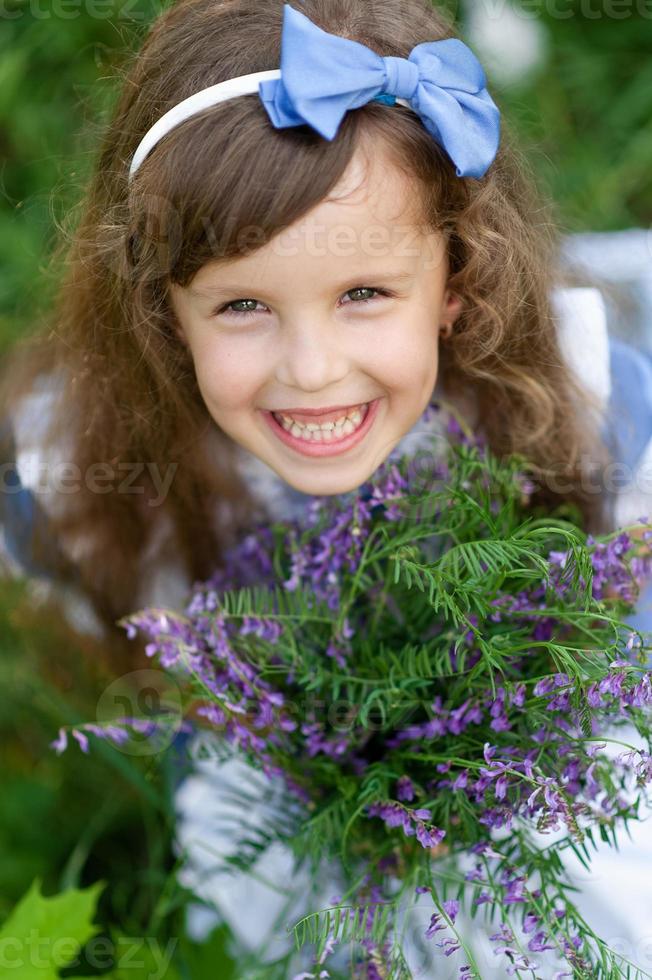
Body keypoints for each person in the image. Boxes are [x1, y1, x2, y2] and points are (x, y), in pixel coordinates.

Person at [2, 0, 652, 973]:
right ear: (163, 313)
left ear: (458, 280)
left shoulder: (580, 419)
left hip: (539, 735)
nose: (310, 370)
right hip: (283, 771)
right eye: (243, 305)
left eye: (362, 294)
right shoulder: (87, 477)